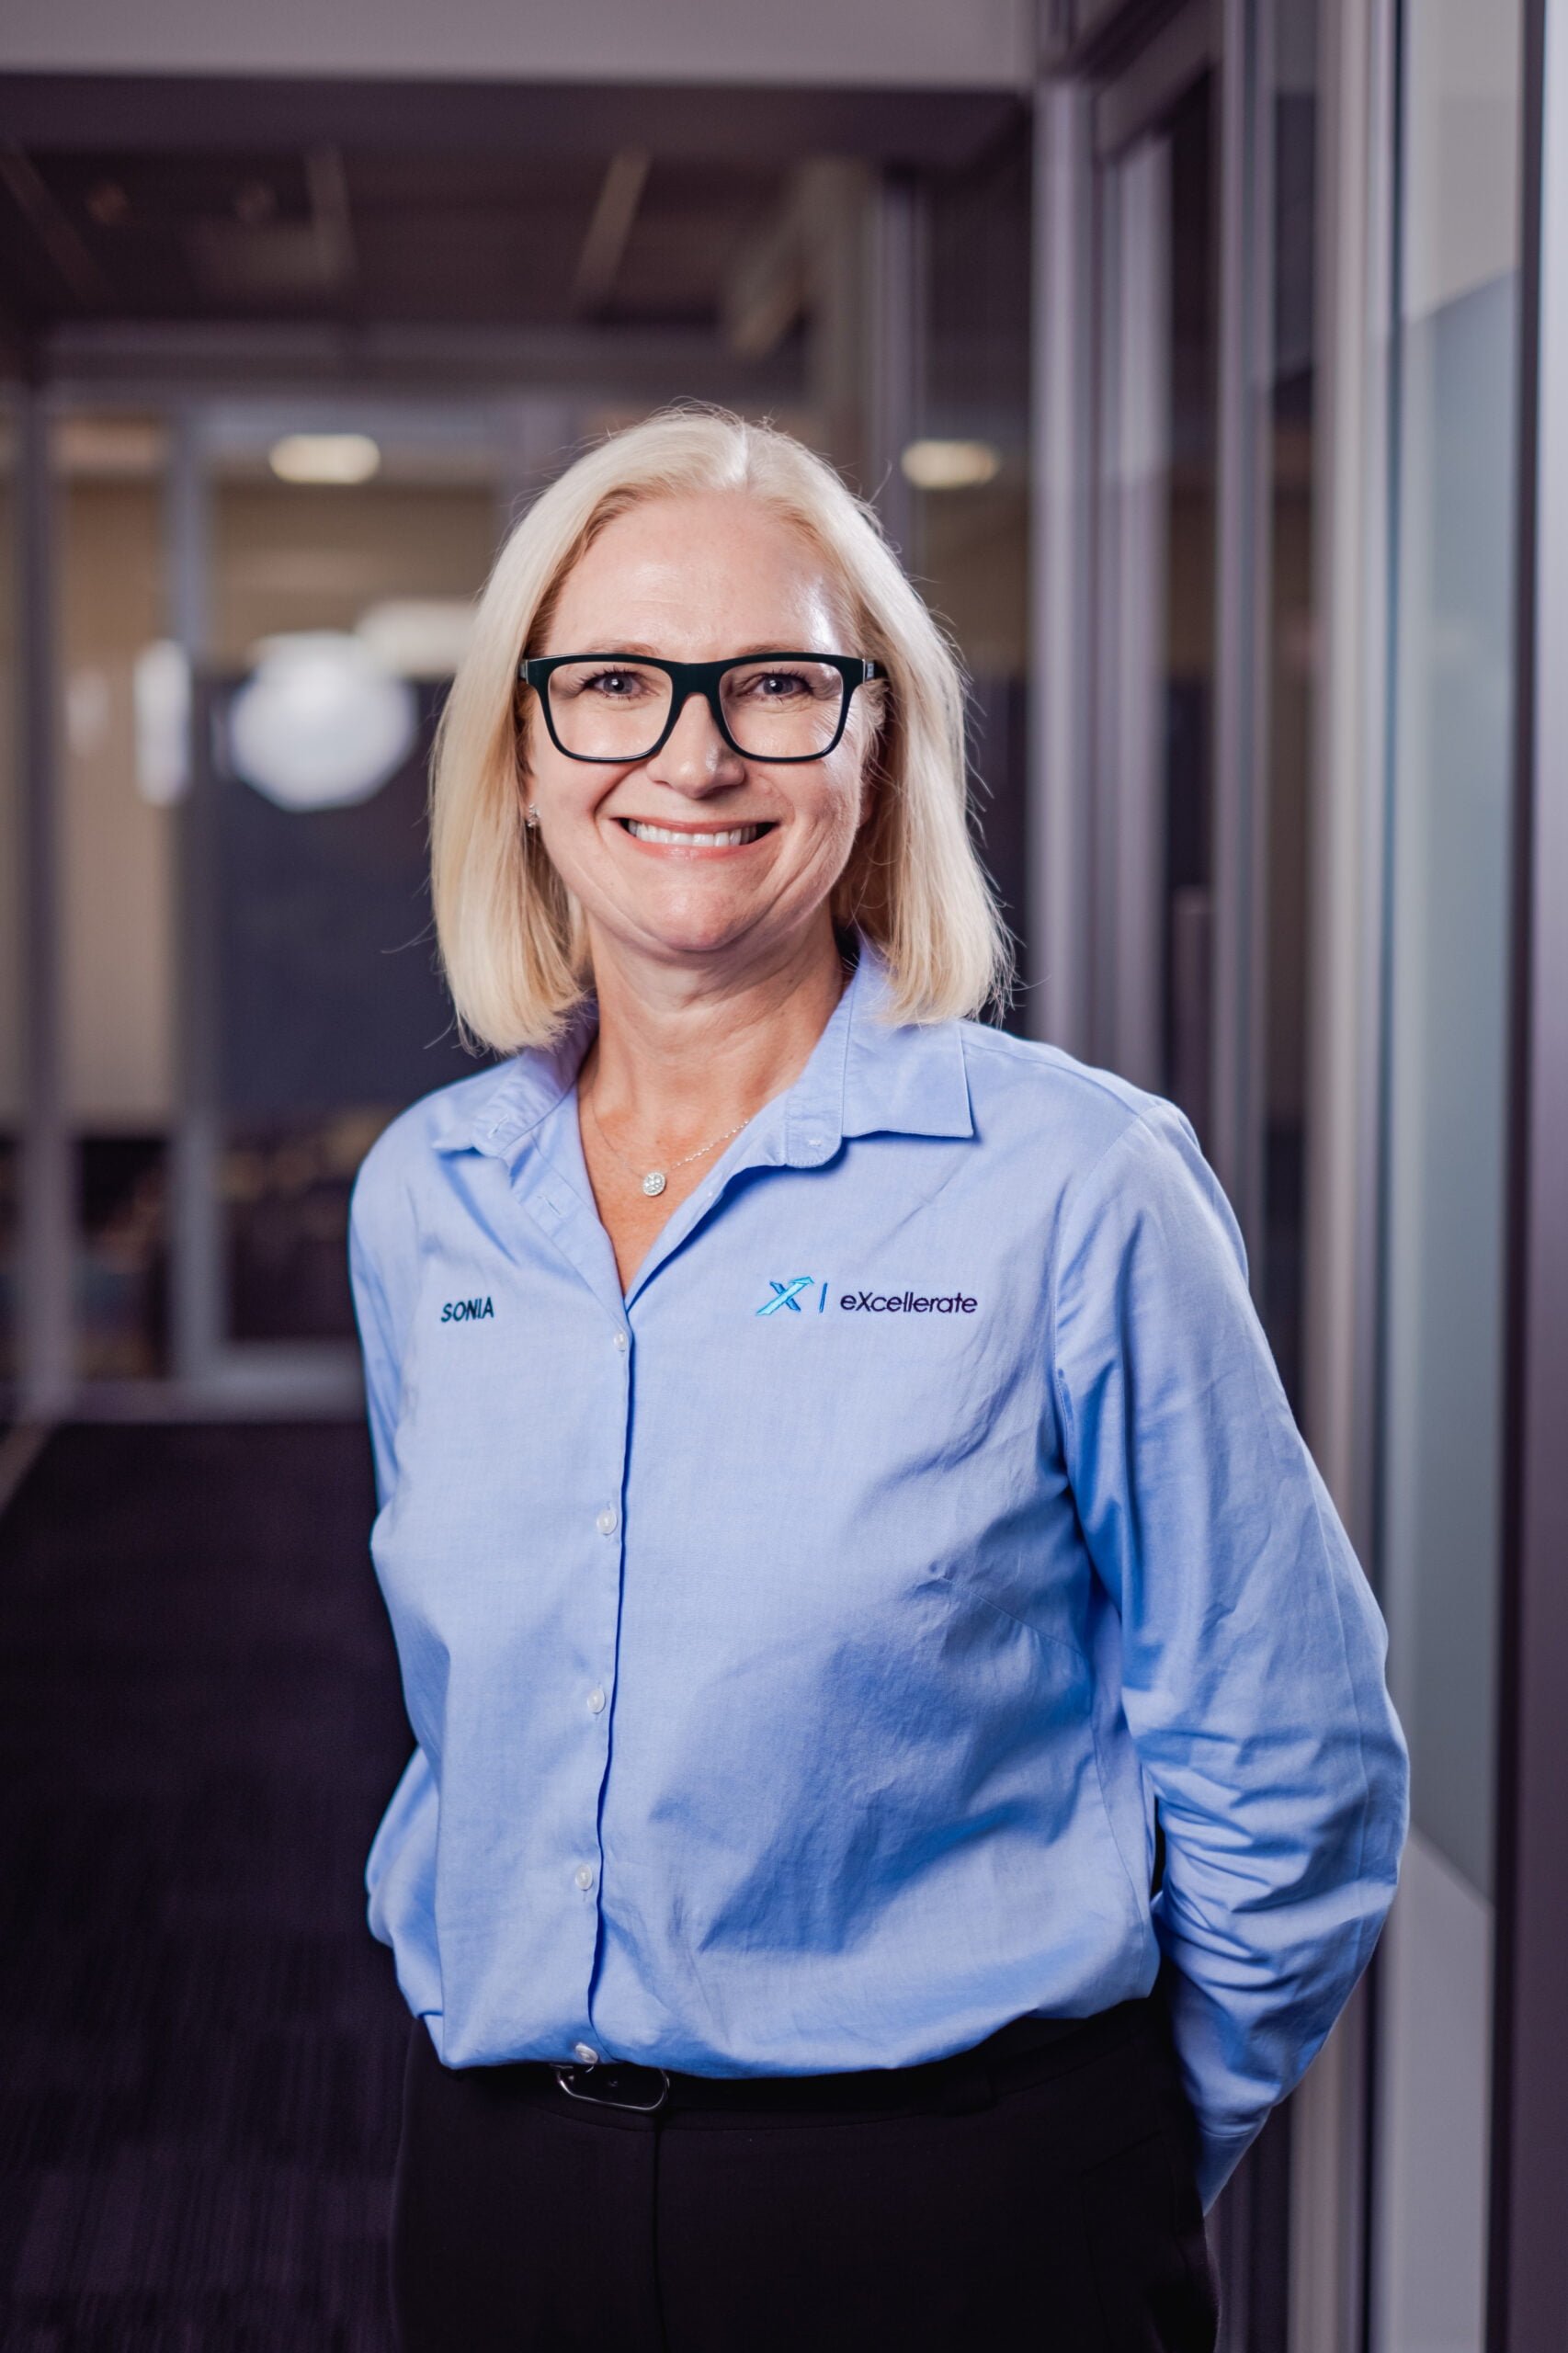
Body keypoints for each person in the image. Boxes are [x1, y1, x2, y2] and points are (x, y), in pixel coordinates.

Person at [347, 405, 1408, 2353]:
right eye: (612, 685)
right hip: (507, 2192)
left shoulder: (1074, 1185)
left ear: (874, 743)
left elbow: (1296, 1765)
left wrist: (1098, 2172)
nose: (693, 749)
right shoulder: (431, 1197)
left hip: (955, 2217)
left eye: (774, 682)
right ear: (516, 754)